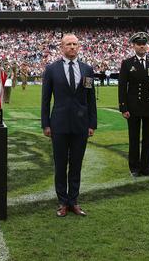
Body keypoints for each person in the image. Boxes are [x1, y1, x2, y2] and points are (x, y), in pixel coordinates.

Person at [41, 34, 97, 217]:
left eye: (75, 44)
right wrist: (46, 124)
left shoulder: (87, 69)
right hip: (58, 125)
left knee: (76, 165)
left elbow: (90, 99)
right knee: (60, 164)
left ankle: (73, 201)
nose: (72, 47)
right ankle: (62, 202)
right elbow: (45, 100)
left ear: (79, 47)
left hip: (81, 125)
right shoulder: (51, 69)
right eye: (68, 44)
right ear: (61, 47)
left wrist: (92, 124)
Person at [118, 32, 149, 178]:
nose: (142, 46)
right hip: (133, 107)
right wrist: (123, 107)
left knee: (148, 139)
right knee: (134, 139)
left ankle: (147, 168)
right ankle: (134, 168)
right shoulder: (127, 63)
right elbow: (122, 87)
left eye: (144, 44)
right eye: (139, 44)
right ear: (134, 46)